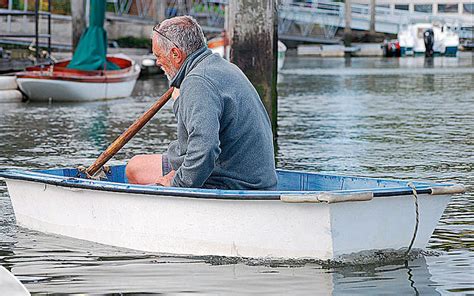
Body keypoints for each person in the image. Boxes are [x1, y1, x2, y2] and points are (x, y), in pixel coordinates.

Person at [125, 16, 277, 190]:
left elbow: (205, 149)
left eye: (159, 55)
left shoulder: (198, 81)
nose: (158, 62)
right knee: (136, 166)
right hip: (248, 174)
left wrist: (176, 183)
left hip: (234, 181)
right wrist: (180, 101)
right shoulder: (223, 67)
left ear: (175, 54)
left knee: (135, 170)